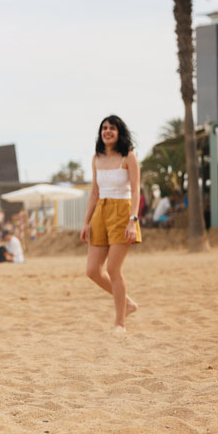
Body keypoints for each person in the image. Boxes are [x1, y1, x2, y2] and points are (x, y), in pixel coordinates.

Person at [80, 115, 142, 333]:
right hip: (100, 213)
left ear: (119, 132)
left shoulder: (129, 156)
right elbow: (94, 193)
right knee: (92, 270)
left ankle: (120, 323)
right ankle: (128, 303)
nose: (107, 131)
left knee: (113, 269)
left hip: (122, 212)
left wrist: (132, 221)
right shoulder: (96, 158)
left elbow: (135, 191)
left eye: (112, 128)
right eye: (104, 128)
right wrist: (86, 222)